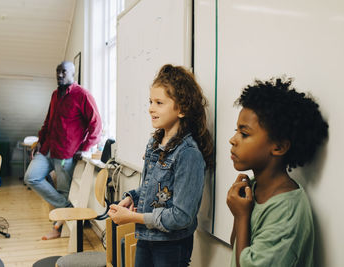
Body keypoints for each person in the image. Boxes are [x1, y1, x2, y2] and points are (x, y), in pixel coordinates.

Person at [108, 64, 213, 267]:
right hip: (147, 237)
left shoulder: (188, 154)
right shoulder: (154, 143)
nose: (151, 108)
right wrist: (133, 198)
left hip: (172, 245)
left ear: (182, 108)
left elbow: (181, 216)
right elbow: (153, 188)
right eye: (150, 101)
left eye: (159, 102)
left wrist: (133, 217)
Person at [227, 78, 328, 267]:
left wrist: (241, 216)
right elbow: (238, 249)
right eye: (236, 131)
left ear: (279, 147)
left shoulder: (287, 211)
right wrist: (240, 214)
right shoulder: (252, 188)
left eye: (244, 134)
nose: (233, 140)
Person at [24, 61, 102, 240]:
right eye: (57, 71)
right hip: (47, 149)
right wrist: (39, 143)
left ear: (73, 74)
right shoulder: (54, 95)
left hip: (66, 153)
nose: (59, 75)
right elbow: (47, 122)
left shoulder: (82, 94)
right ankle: (68, 208)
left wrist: (85, 147)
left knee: (62, 190)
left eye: (64, 72)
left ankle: (57, 228)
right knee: (31, 176)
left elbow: (96, 124)